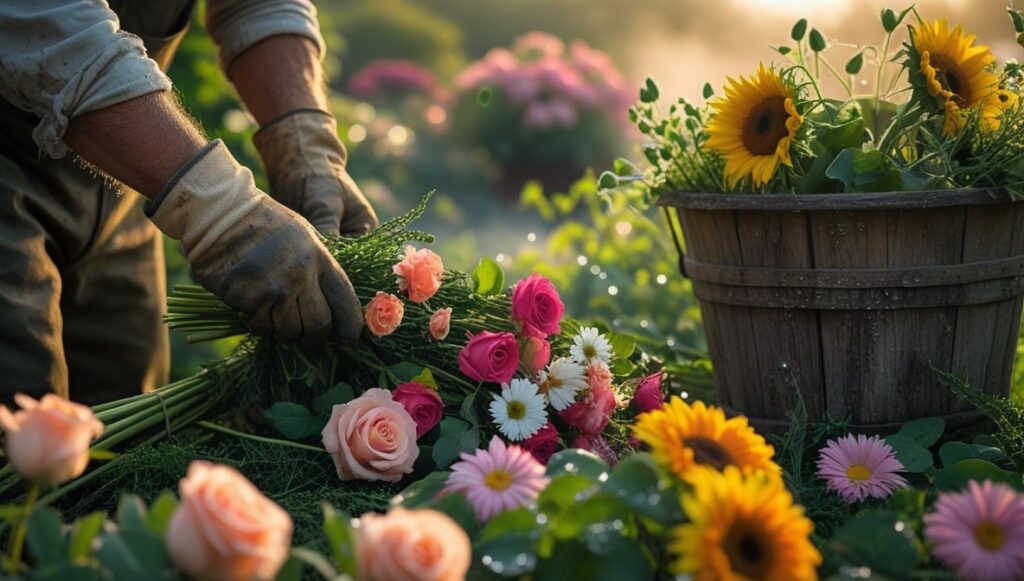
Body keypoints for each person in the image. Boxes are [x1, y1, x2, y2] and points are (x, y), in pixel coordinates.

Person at [0, 0, 377, 405]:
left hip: (125, 185)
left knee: (130, 420)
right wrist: (223, 211)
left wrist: (303, 143)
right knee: (19, 423)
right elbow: (47, 25)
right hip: (10, 176)